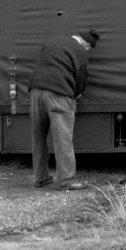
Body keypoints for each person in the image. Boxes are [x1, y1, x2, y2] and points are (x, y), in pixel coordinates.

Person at [30, 29, 100, 190]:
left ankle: (40, 178)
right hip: (58, 94)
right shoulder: (80, 51)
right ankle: (66, 180)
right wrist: (76, 94)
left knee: (38, 137)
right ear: (86, 43)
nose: (87, 51)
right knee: (63, 138)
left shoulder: (54, 40)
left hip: (35, 92)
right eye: (89, 48)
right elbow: (81, 79)